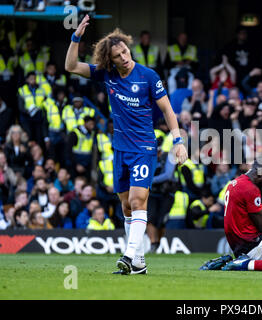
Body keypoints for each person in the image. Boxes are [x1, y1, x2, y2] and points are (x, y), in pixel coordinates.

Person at [65, 15, 188, 275]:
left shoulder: (148, 75)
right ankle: (139, 264)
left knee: (137, 198)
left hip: (144, 148)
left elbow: (168, 110)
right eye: (119, 55)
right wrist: (76, 37)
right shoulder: (106, 74)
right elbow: (71, 66)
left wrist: (178, 141)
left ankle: (129, 255)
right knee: (126, 206)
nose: (125, 57)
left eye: (125, 51)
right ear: (110, 61)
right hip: (120, 150)